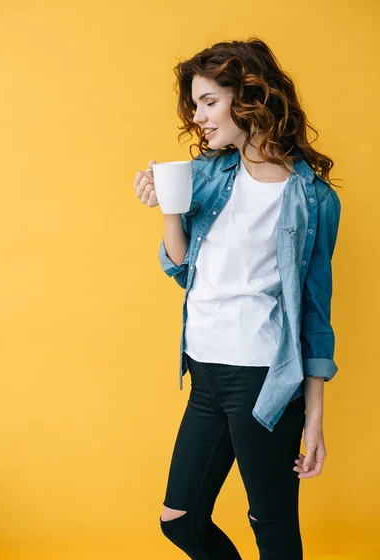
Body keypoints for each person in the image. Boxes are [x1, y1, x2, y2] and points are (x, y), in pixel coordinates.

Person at [133, 37, 342, 560]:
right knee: (179, 520)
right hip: (204, 374)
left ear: (247, 95)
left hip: (263, 378)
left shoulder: (314, 198)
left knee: (270, 525)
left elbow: (316, 312)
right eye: (195, 104)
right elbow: (182, 268)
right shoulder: (206, 174)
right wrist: (167, 208)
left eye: (209, 101)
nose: (199, 117)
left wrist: (314, 420)